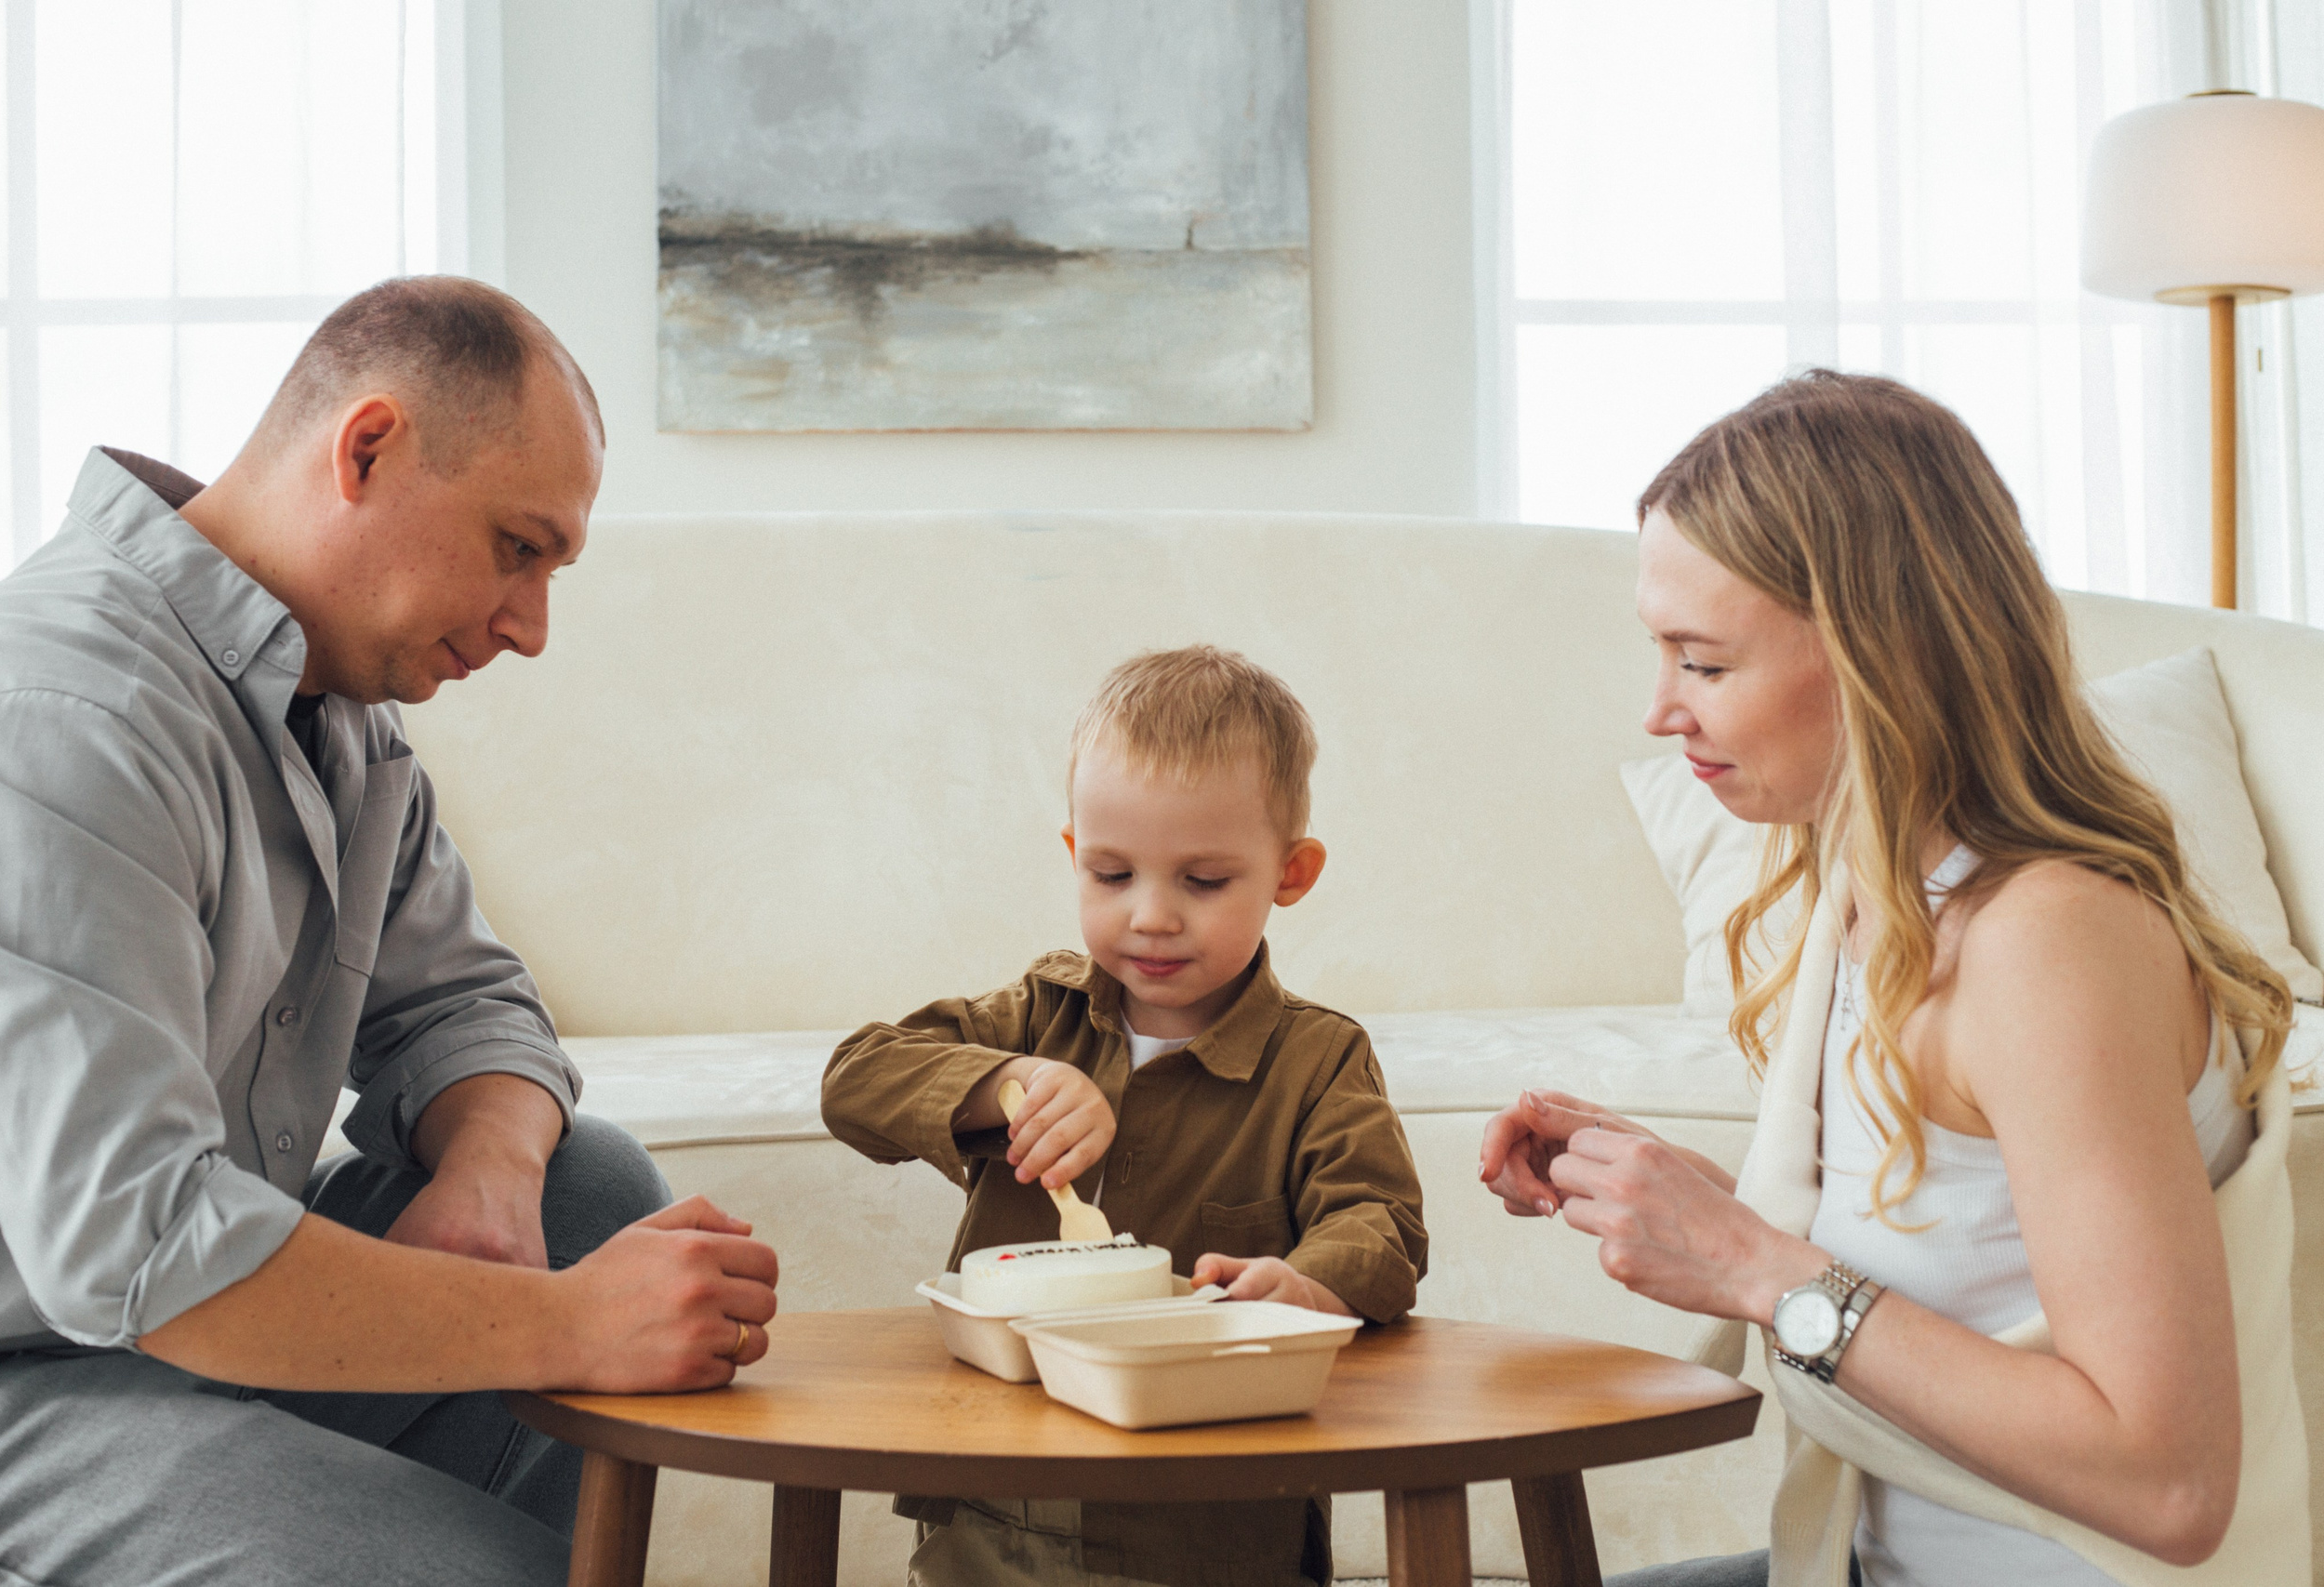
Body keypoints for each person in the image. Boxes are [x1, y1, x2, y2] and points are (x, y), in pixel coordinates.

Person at [0, 277, 780, 1587]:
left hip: (167, 1353)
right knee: (480, 1560)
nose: (532, 627)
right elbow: (140, 1239)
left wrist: (494, 1179)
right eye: (519, 547)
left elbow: (473, 1007)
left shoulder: (341, 725)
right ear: (368, 447)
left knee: (586, 1185)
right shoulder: (57, 717)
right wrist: (559, 1320)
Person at [1479, 371, 2302, 1587]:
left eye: (1703, 661)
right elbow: (1964, 1249)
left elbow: (2168, 1477)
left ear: (1880, 653)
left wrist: (1753, 1262)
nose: (1659, 710)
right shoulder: (1875, 887)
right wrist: (1697, 1203)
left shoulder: (2047, 939)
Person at [823, 644, 1429, 1587]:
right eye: (1112, 875)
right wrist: (1003, 1084)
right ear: (1073, 854)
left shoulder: (1318, 1060)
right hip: (992, 1505)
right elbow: (855, 1078)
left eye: (1201, 881)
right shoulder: (1035, 1016)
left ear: (1291, 873)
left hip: (1213, 1529)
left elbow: (1381, 1223)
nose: (1149, 916)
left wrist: (1305, 1285)